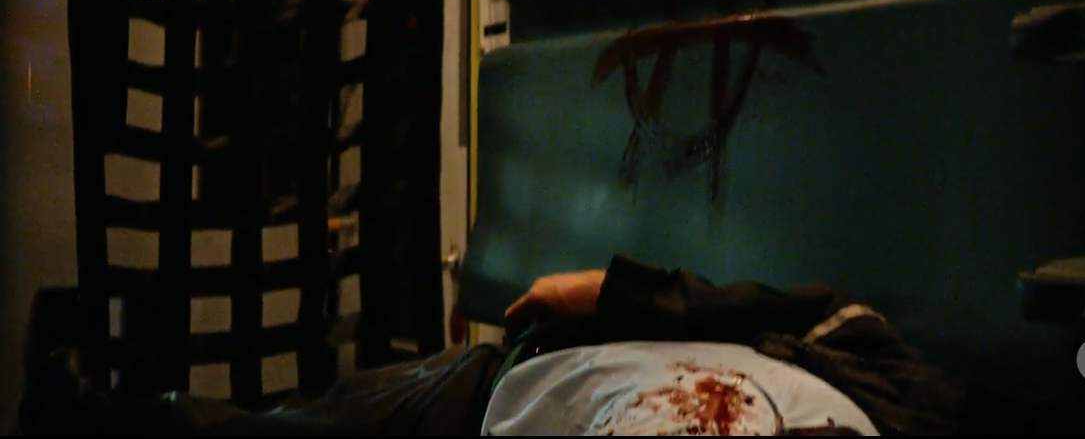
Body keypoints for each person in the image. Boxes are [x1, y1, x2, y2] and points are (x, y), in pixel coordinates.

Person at [19, 255, 1027, 436]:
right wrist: (604, 290)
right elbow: (795, 304)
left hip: (490, 419)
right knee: (282, 427)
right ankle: (86, 413)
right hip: (508, 377)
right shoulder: (883, 374)